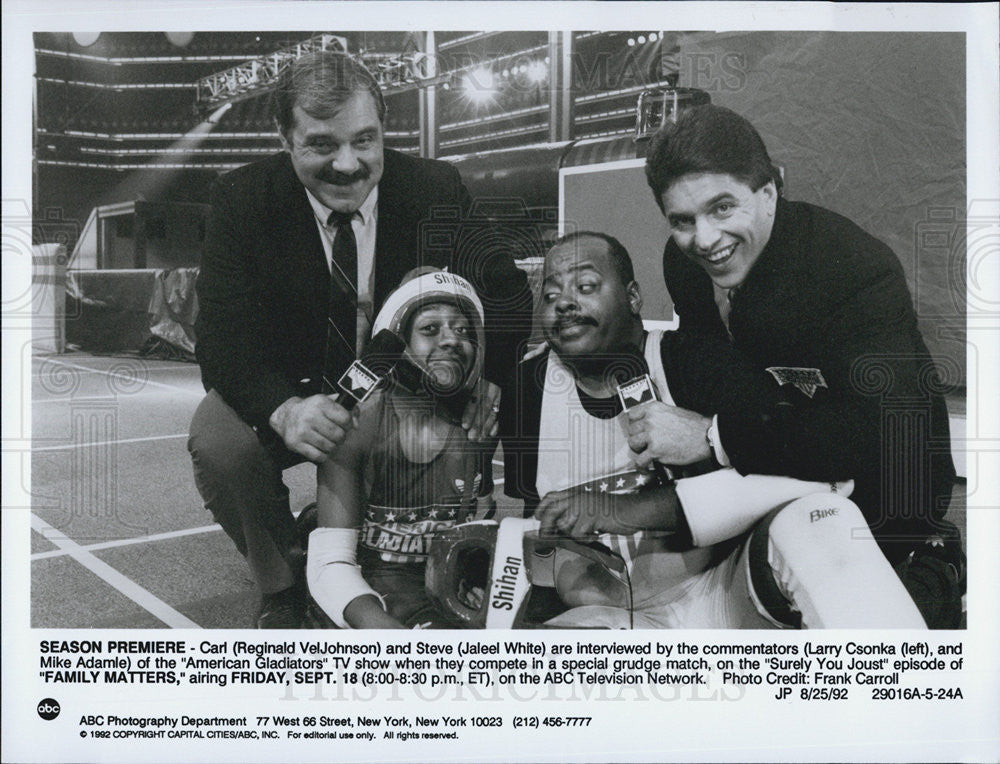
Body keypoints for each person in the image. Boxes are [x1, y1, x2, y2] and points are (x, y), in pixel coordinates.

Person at [188, 51, 531, 628]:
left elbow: (508, 292)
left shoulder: (434, 188)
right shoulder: (241, 199)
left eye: (364, 141)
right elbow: (221, 335)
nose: (348, 164)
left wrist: (490, 376)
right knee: (219, 442)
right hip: (297, 386)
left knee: (527, 390)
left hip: (405, 388)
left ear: (383, 131)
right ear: (284, 136)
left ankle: (513, 553)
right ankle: (284, 583)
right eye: (322, 144)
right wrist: (282, 409)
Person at [500, 231, 927, 628]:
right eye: (551, 294)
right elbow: (534, 520)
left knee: (818, 517)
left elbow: (817, 470)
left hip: (723, 591)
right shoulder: (528, 386)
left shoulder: (693, 361)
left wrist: (632, 506)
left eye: (586, 286)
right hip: (610, 616)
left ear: (633, 297)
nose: (564, 303)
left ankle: (898, 692)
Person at [639, 104, 962, 627]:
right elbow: (708, 365)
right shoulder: (684, 265)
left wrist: (713, 437)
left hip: (889, 497)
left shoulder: (854, 267)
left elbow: (876, 434)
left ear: (769, 192)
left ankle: (931, 567)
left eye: (723, 208)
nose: (704, 239)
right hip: (774, 471)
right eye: (683, 220)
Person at [307, 269, 496, 629]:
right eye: (430, 329)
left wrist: (478, 577)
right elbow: (331, 564)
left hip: (440, 595)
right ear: (397, 341)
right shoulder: (357, 423)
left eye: (463, 330)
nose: (452, 340)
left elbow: (478, 524)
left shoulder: (480, 422)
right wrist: (378, 626)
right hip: (365, 597)